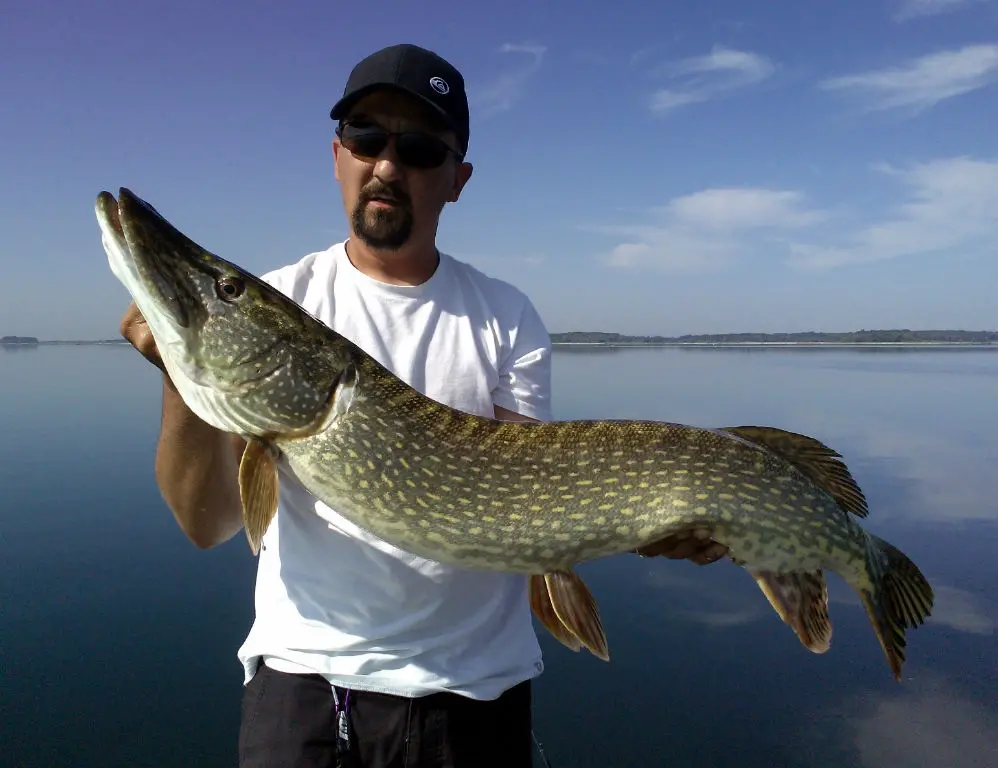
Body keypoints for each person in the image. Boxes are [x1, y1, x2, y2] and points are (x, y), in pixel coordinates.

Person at [118, 43, 728, 768]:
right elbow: (206, 521)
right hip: (304, 691)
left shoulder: (506, 317)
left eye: (417, 147)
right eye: (368, 138)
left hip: (471, 703)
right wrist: (180, 369)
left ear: (457, 179)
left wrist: (652, 523)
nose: (386, 164)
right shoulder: (290, 297)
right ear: (337, 153)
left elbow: (534, 501)